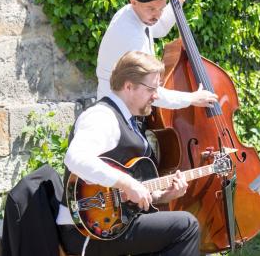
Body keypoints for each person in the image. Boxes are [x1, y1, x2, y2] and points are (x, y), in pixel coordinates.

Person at [56, 51, 200, 255]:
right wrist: (127, 182)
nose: (157, 95)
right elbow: (76, 158)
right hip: (87, 232)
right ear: (129, 86)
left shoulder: (130, 120)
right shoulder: (102, 117)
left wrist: (162, 196)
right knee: (186, 226)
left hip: (115, 226)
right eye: (152, 88)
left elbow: (126, 195)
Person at [96, 0, 218, 108]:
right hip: (117, 108)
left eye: (161, 9)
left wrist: (177, 3)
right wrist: (192, 98)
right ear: (133, 1)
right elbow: (150, 91)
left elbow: (159, 28)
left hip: (127, 103)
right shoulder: (131, 36)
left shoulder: (132, 12)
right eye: (151, 8)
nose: (158, 15)